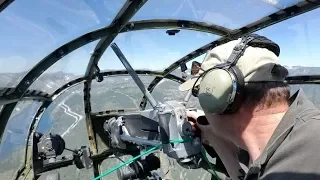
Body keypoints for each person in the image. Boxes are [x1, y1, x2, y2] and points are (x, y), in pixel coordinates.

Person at [180, 34, 320, 180]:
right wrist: (218, 141)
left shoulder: (285, 174)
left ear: (219, 97)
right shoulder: (305, 130)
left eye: (199, 91)